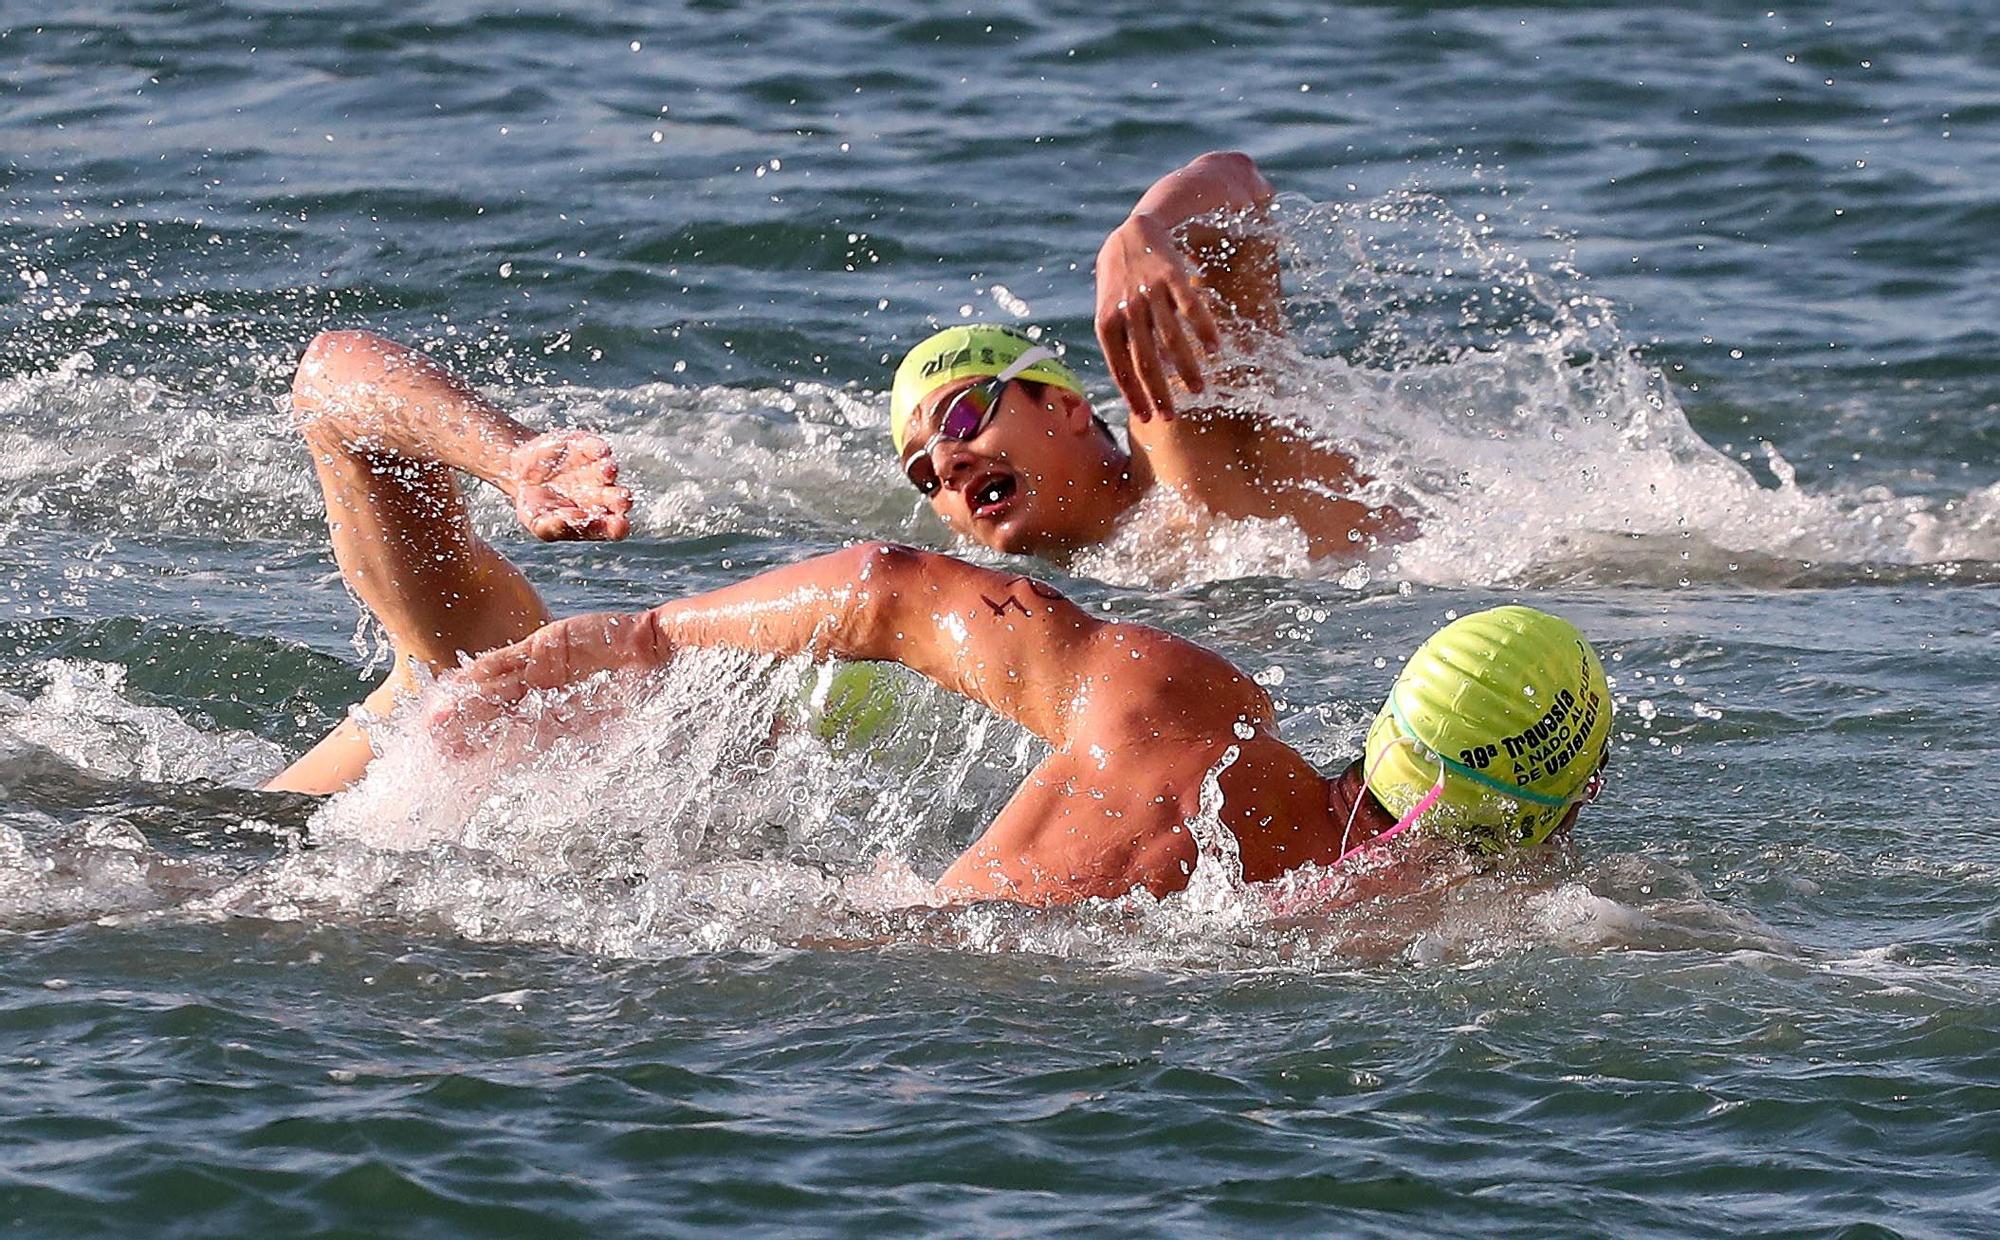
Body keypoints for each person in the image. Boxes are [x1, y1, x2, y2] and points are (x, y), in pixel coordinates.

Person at [276, 331, 1610, 906]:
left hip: (387, 860)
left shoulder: (1179, 707)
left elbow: (886, 588)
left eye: (969, 420)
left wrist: (644, 634)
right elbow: (329, 383)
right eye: (926, 462)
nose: (949, 472)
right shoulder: (1410, 931)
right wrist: (516, 467)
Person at [888, 150, 1408, 563]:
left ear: (1068, 407)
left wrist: (1141, 229)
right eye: (923, 476)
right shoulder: (1064, 597)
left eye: (965, 414)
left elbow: (1239, 181)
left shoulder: (1181, 430)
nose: (944, 463)